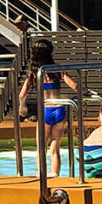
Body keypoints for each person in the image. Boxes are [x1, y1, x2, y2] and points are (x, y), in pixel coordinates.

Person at [18, 39, 78, 178]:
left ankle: (42, 174)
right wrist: (86, 92)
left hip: (45, 110)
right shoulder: (57, 69)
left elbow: (22, 95)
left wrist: (23, 106)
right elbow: (74, 85)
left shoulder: (33, 74)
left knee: (41, 147)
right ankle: (55, 174)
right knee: (55, 147)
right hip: (60, 110)